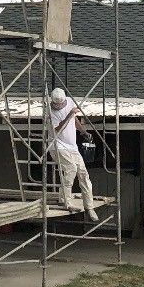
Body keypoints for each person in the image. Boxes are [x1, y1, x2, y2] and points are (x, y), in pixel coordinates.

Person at [46, 86, 99, 221]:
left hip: (72, 147)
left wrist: (83, 131)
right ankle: (66, 202)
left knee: (84, 174)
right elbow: (57, 130)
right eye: (56, 105)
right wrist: (69, 114)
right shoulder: (49, 112)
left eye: (61, 104)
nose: (59, 106)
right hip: (57, 146)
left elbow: (74, 120)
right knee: (71, 169)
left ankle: (89, 207)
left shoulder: (69, 101)